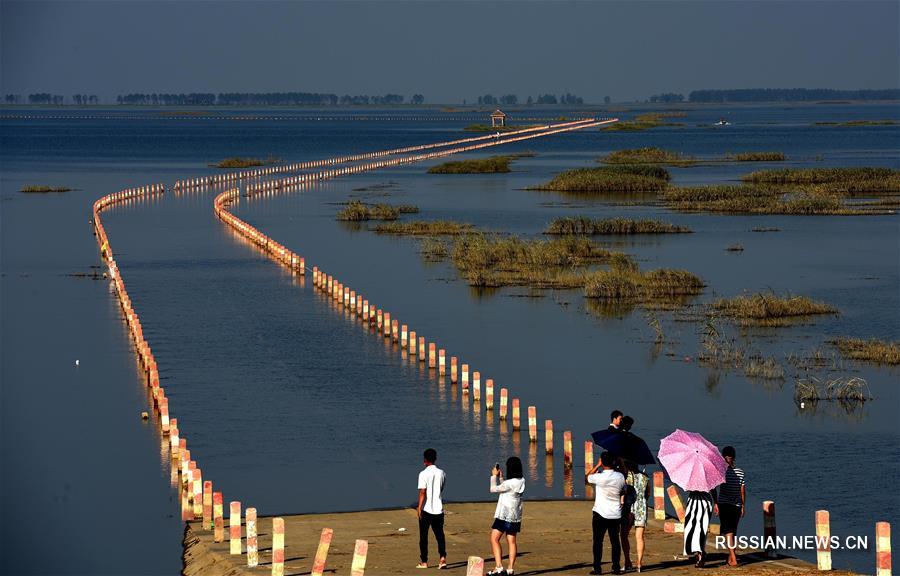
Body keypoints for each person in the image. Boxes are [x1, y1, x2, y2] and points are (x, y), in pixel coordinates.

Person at [586, 451, 626, 575]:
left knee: (598, 541)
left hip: (600, 512)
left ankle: (597, 568)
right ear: (614, 462)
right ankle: (616, 567)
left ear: (603, 462)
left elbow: (587, 478)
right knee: (615, 541)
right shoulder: (620, 476)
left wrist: (597, 465)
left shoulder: (599, 477)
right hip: (615, 513)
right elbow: (624, 489)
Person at [487, 457, 525, 576]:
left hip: (504, 515)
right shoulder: (522, 480)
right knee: (512, 541)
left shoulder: (510, 483)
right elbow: (506, 489)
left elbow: (493, 489)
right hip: (515, 515)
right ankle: (510, 569)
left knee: (494, 538)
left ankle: (498, 566)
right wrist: (501, 478)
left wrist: (494, 476)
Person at [416, 448, 447, 569]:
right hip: (438, 509)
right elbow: (441, 488)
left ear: (425, 460)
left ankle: (424, 561)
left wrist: (419, 507)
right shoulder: (442, 473)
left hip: (426, 509)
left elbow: (423, 492)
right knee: (440, 535)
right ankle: (442, 558)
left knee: (423, 536)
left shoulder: (423, 474)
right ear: (435, 459)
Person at [717, 446, 746, 567]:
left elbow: (714, 485)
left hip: (724, 504)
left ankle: (733, 558)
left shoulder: (721, 471)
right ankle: (730, 557)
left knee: (728, 531)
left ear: (723, 457)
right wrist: (743, 506)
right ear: (734, 457)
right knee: (733, 531)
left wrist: (715, 504)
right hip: (737, 505)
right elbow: (742, 491)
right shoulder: (740, 472)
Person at [621, 461, 650, 572]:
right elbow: (647, 494)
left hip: (629, 508)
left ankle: (627, 561)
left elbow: (623, 492)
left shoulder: (625, 477)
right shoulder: (645, 477)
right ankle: (639, 563)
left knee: (624, 535)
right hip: (642, 507)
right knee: (639, 537)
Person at [683, 487, 717, 568]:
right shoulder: (708, 476)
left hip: (696, 501)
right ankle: (699, 552)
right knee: (698, 529)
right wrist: (716, 502)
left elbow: (687, 488)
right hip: (700, 501)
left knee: (699, 529)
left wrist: (716, 503)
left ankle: (700, 554)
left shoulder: (691, 476)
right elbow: (713, 489)